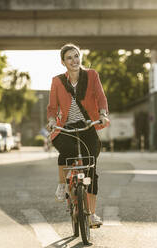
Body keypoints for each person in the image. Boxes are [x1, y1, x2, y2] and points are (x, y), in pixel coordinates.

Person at [46, 43, 109, 226]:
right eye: (69, 58)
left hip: (87, 125)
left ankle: (91, 215)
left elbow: (101, 97)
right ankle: (62, 184)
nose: (74, 60)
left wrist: (103, 114)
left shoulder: (91, 75)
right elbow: (52, 108)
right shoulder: (57, 81)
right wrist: (51, 121)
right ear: (63, 62)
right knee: (68, 152)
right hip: (65, 127)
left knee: (91, 168)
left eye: (76, 56)